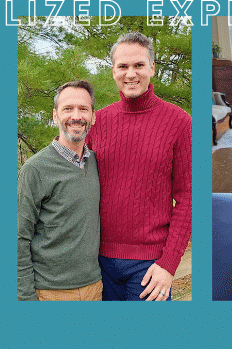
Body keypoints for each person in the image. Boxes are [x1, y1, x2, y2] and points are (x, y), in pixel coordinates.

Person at [86, 32, 192, 301]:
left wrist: (169, 263)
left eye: (139, 65)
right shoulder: (97, 122)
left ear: (152, 69)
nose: (130, 74)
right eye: (123, 66)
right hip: (95, 263)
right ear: (113, 72)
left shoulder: (179, 122)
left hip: (149, 267)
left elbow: (189, 197)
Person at [17, 80, 102, 301]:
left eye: (83, 109)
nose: (76, 116)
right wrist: (26, 298)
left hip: (95, 287)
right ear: (55, 116)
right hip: (50, 292)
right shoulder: (35, 169)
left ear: (93, 116)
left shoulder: (96, 162)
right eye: (68, 109)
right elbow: (18, 238)